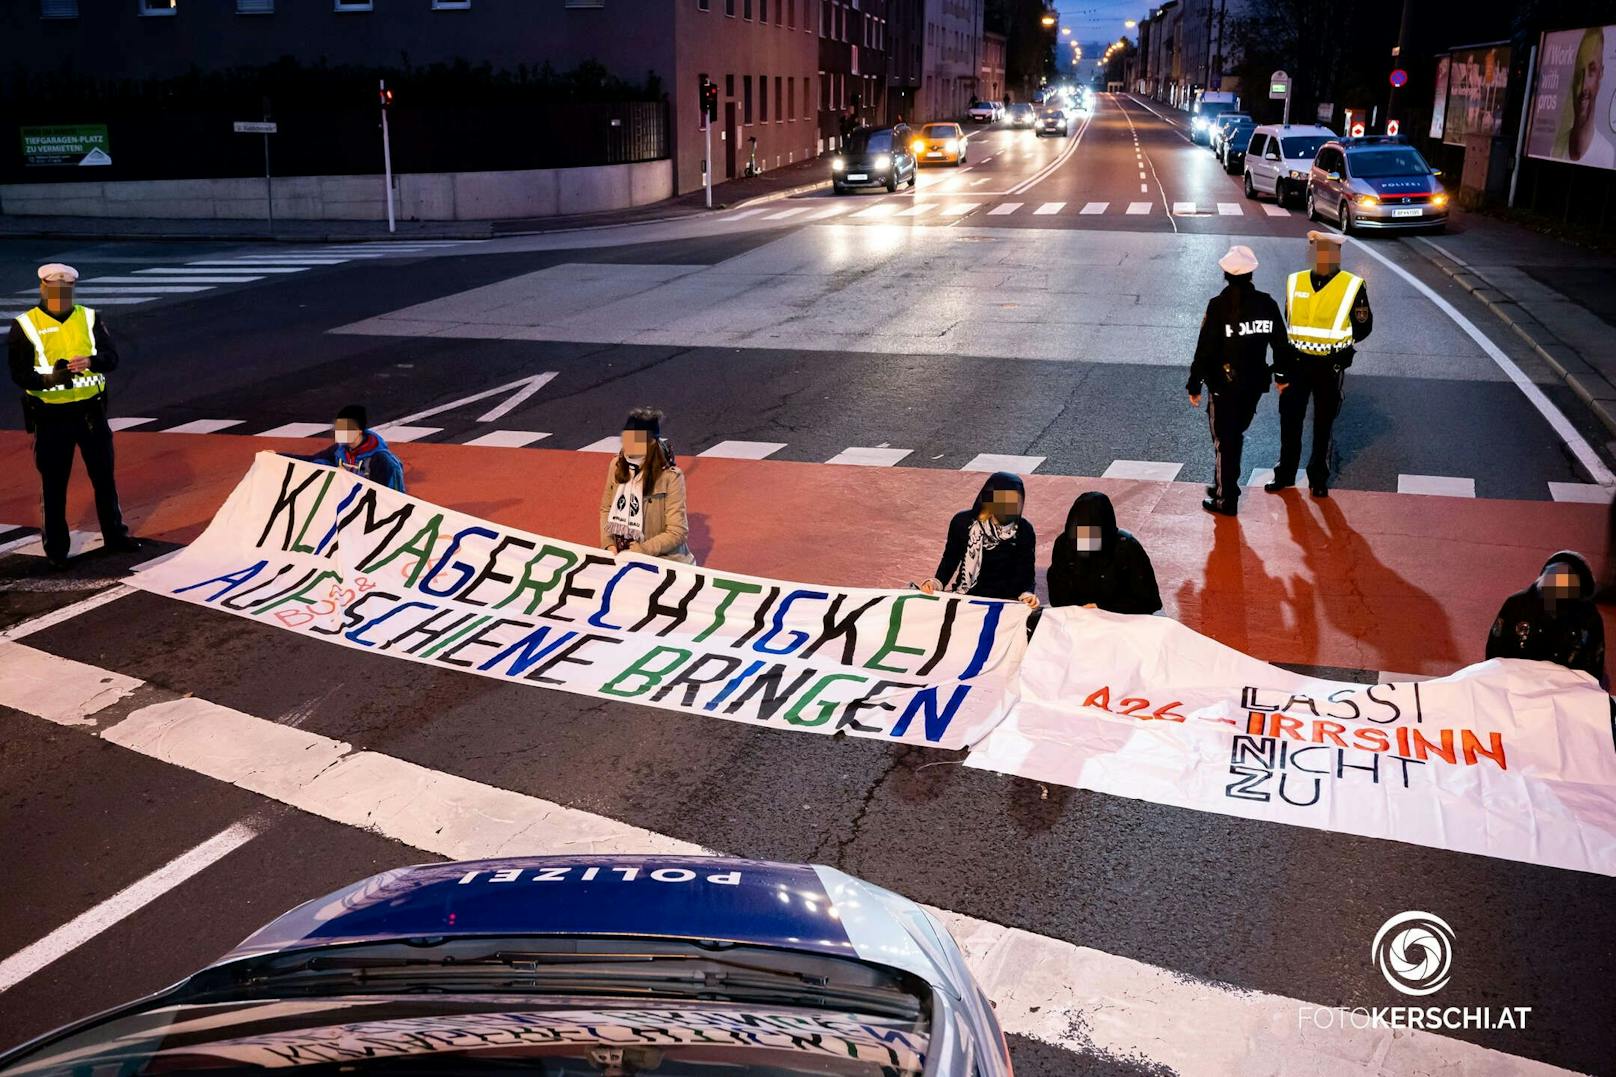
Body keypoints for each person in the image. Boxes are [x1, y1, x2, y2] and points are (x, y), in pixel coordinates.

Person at [7, 263, 139, 570]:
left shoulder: (89, 317)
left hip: (91, 412)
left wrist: (91, 361)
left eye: (65, 290)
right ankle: (56, 549)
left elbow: (112, 358)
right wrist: (50, 379)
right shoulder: (26, 325)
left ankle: (115, 536)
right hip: (51, 415)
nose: (60, 295)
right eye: (55, 290)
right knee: (54, 483)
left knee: (104, 477)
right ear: (43, 289)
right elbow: (20, 374)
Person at [1267, 230, 1373, 498]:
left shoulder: (1351, 285)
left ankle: (1318, 478)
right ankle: (1286, 474)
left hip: (1329, 365)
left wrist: (1337, 347)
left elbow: (1363, 327)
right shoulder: (1295, 281)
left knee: (1323, 423)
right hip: (1297, 362)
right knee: (1290, 420)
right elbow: (1288, 317)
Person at [1187, 244, 1288, 516]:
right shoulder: (1267, 304)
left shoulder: (1218, 307)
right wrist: (1281, 376)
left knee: (1224, 440)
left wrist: (1194, 384)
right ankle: (1224, 483)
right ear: (1251, 273)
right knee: (1234, 436)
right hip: (1254, 386)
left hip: (1223, 387)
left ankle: (1225, 498)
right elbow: (1281, 344)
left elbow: (1204, 350)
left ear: (1225, 273)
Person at [1486, 551, 1607, 688]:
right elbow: (1495, 652)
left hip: (1562, 689)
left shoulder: (1587, 616)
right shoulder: (1516, 605)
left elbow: (1593, 668)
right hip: (1515, 682)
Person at [919, 472, 1039, 608]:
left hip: (1006, 602)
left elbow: (1026, 570)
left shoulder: (1024, 530)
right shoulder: (962, 522)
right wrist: (936, 582)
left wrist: (1027, 594)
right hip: (968, 595)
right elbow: (950, 559)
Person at [599, 407, 694, 564]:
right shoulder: (616, 465)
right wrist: (608, 543)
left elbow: (677, 531)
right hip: (621, 555)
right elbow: (606, 509)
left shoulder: (671, 476)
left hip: (661, 559)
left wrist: (643, 550)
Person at [1046, 491, 1161, 614]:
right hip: (1077, 618)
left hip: (1120, 619)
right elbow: (1057, 597)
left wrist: (1102, 608)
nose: (1084, 541)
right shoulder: (1065, 544)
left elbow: (1149, 601)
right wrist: (1080, 609)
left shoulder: (1127, 548)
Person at [290, 404, 406, 492]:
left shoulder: (381, 459)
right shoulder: (339, 451)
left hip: (370, 509)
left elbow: (393, 495)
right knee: (321, 463)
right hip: (347, 504)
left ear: (359, 430)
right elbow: (310, 461)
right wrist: (276, 455)